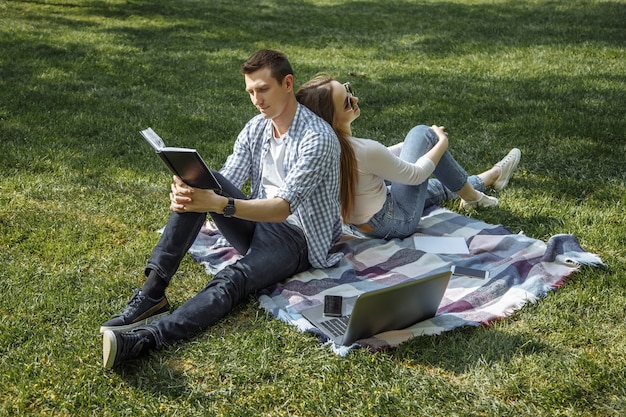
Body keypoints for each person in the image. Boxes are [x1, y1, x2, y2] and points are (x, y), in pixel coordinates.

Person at [101, 50, 343, 369]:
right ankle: (152, 292)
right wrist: (189, 193)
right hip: (257, 219)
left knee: (234, 278)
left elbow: (283, 209)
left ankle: (148, 337)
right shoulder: (257, 128)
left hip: (299, 238)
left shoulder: (317, 139)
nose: (256, 99)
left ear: (287, 83)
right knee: (202, 178)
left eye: (263, 89)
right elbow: (226, 177)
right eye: (250, 92)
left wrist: (218, 204)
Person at [295, 74, 521, 240]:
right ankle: (474, 196)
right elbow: (415, 175)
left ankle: (490, 177)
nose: (355, 98)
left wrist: (423, 147)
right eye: (347, 101)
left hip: (361, 223)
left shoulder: (320, 150)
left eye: (348, 89)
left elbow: (381, 160)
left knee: (435, 187)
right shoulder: (363, 150)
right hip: (394, 223)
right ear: (332, 119)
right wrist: (440, 142)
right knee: (422, 132)